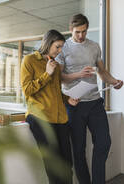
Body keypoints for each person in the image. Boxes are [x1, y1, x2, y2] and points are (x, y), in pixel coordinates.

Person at [56, 14, 124, 184]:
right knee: (78, 150)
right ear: (71, 29)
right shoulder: (63, 48)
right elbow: (60, 77)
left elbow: (102, 71)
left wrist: (114, 81)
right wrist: (79, 74)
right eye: (78, 32)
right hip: (73, 104)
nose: (81, 35)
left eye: (84, 31)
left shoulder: (94, 46)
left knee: (104, 142)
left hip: (94, 103)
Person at [20, 29, 78, 184]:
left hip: (60, 119)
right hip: (41, 117)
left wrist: (68, 99)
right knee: (53, 165)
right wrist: (47, 74)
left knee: (67, 163)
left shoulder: (56, 64)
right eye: (57, 47)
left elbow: (56, 92)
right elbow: (27, 91)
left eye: (61, 48)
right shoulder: (29, 60)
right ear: (48, 43)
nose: (59, 51)